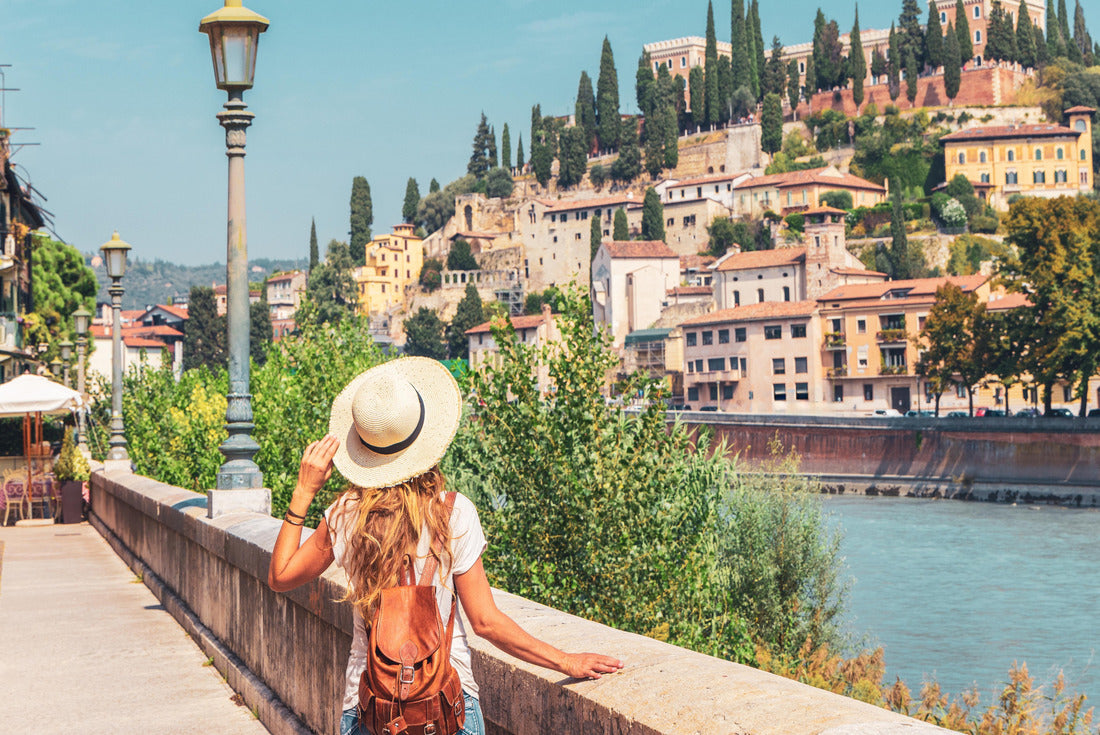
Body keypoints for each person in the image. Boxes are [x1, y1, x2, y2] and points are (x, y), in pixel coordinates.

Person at [268, 357, 623, 735]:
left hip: (370, 710)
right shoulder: (453, 514)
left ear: (364, 450)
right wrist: (566, 662)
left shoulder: (345, 515)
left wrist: (304, 491)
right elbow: (486, 622)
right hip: (447, 707)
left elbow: (280, 576)